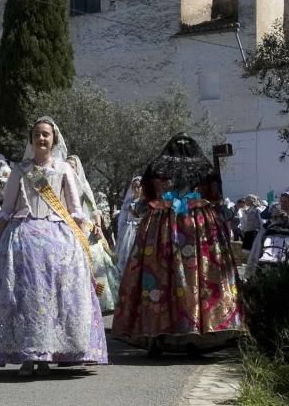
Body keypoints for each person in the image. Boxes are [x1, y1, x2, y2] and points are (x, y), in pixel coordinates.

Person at [0, 117, 108, 377]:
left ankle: (53, 352)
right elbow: (8, 209)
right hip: (22, 240)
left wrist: (84, 242)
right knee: (23, 299)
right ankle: (27, 355)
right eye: (37, 134)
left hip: (59, 240)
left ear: (54, 139)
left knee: (57, 297)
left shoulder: (64, 170)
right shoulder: (20, 171)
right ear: (31, 139)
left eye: (46, 134)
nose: (42, 138)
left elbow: (74, 209)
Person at [112, 134, 244, 357]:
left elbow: (146, 198)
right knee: (194, 277)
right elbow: (217, 197)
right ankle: (193, 333)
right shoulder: (205, 168)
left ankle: (158, 335)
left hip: (162, 227)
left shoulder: (156, 167)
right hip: (197, 226)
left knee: (160, 279)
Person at [67, 155, 119, 316]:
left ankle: (99, 299)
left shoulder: (83, 186)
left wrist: (97, 226)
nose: (70, 169)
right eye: (67, 166)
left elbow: (94, 209)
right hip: (67, 228)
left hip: (85, 230)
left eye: (73, 166)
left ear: (78, 168)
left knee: (95, 263)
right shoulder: (61, 184)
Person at [115, 176, 143, 276]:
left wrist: (134, 211)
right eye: (134, 187)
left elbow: (141, 216)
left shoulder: (144, 202)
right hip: (127, 231)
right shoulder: (128, 201)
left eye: (138, 187)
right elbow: (123, 217)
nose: (136, 189)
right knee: (124, 255)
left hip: (139, 230)